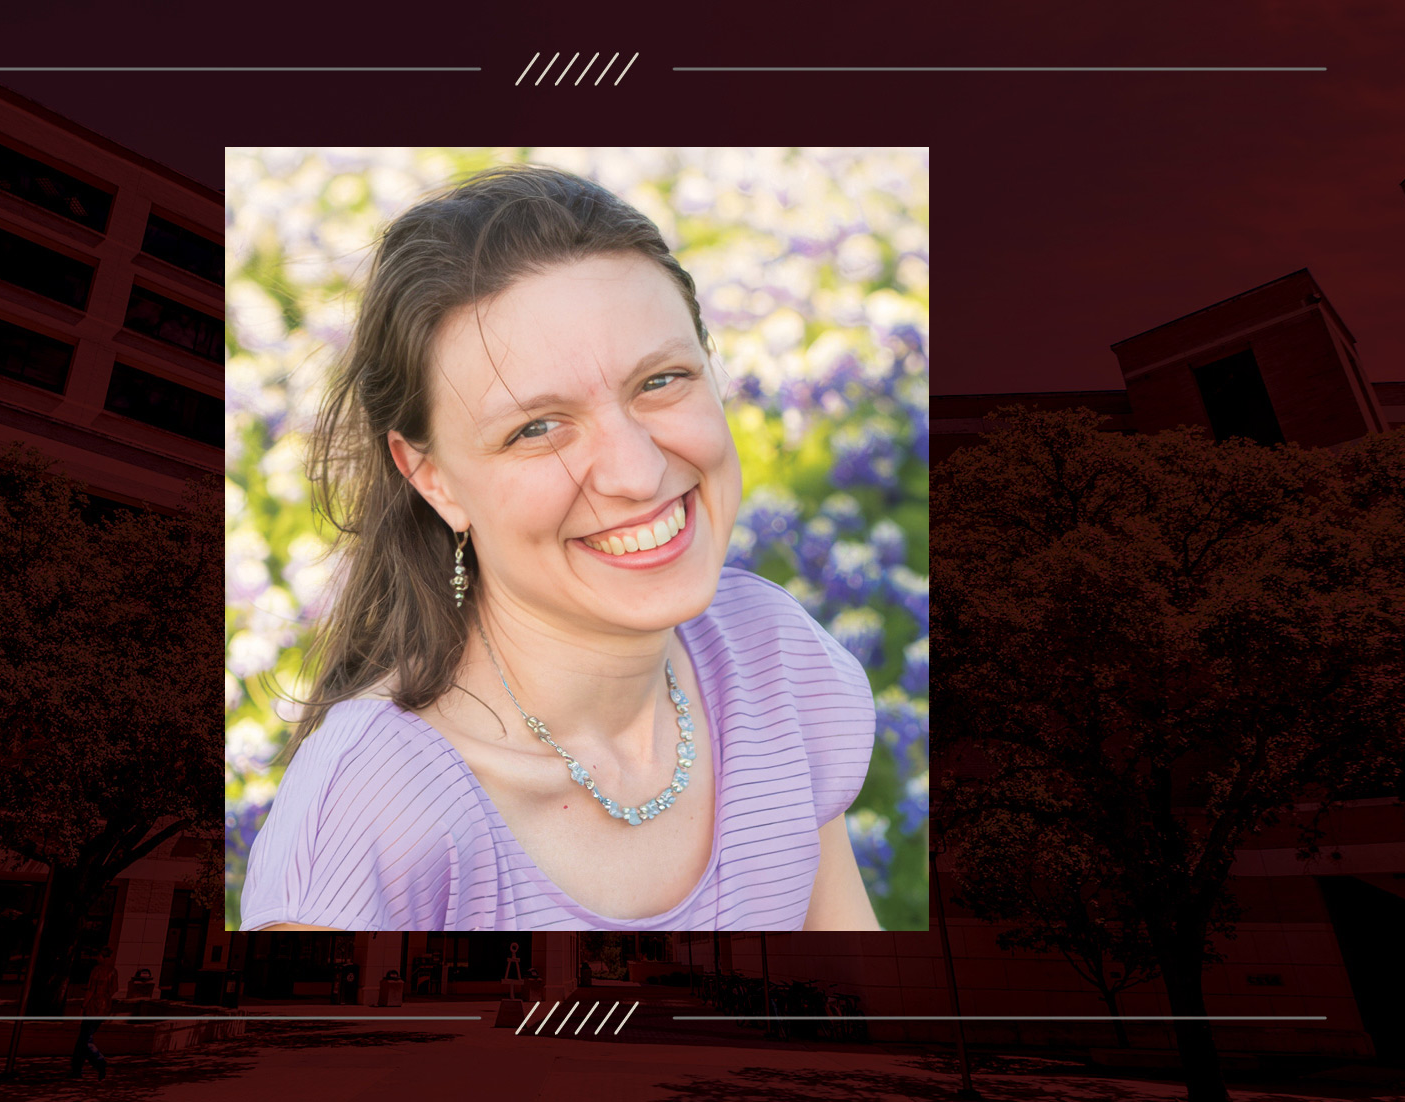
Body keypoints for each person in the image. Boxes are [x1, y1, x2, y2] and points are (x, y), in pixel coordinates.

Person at [237, 165, 879, 931]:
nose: (637, 473)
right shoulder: (369, 811)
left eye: (663, 379)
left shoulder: (769, 659)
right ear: (431, 476)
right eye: (536, 427)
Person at [68, 947, 117, 1079]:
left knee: (85, 1039)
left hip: (93, 1007)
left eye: (98, 955)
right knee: (85, 1038)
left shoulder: (96, 970)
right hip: (104, 1008)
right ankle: (78, 1069)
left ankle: (98, 1062)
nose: (97, 958)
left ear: (102, 957)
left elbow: (90, 990)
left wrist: (83, 1006)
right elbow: (113, 989)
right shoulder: (113, 971)